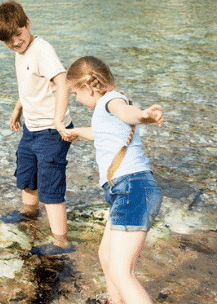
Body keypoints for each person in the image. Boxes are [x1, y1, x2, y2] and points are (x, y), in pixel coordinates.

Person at [65, 56, 163, 304]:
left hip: (133, 188)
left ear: (88, 87)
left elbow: (126, 112)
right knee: (106, 255)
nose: (75, 99)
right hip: (126, 190)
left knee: (122, 271)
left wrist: (143, 115)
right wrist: (76, 131)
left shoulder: (111, 100)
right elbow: (99, 134)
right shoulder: (103, 112)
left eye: (75, 93)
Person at [0, 0, 75, 255]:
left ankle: (61, 242)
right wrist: (18, 108)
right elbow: (30, 86)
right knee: (27, 176)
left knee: (50, 184)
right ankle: (29, 217)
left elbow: (63, 82)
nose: (16, 43)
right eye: (8, 41)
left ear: (27, 24)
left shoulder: (41, 50)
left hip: (52, 130)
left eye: (18, 34)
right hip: (32, 128)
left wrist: (59, 119)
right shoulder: (20, 52)